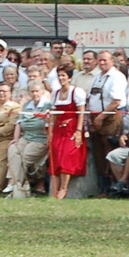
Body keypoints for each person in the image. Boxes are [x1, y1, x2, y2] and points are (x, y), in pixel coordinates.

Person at [7, 79, 53, 198]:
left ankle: (15, 186)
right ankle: (16, 185)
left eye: (37, 91)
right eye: (32, 91)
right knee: (12, 150)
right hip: (25, 136)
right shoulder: (27, 105)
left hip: (40, 139)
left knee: (24, 157)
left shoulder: (48, 105)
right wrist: (16, 139)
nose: (34, 94)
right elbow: (19, 122)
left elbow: (49, 124)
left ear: (42, 92)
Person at [48, 64, 87, 200]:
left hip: (72, 127)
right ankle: (55, 187)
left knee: (66, 155)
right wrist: (51, 130)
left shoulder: (77, 92)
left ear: (69, 77)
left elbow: (81, 112)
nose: (61, 78)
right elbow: (54, 113)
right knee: (56, 153)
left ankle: (64, 188)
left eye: (64, 75)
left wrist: (78, 131)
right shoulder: (56, 93)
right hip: (59, 128)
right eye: (59, 75)